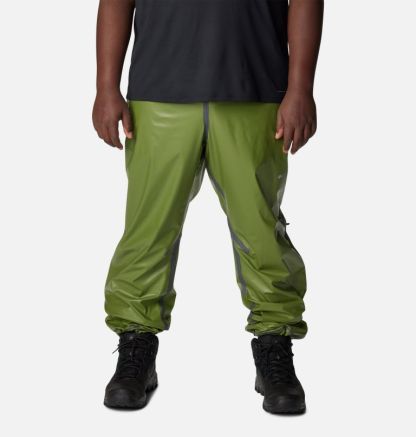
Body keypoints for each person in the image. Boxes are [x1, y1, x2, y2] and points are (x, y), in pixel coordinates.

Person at [93, 0, 323, 414]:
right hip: (159, 89)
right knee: (148, 229)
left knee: (260, 230)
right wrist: (106, 87)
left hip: (254, 87)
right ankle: (135, 345)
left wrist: (301, 87)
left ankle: (275, 344)